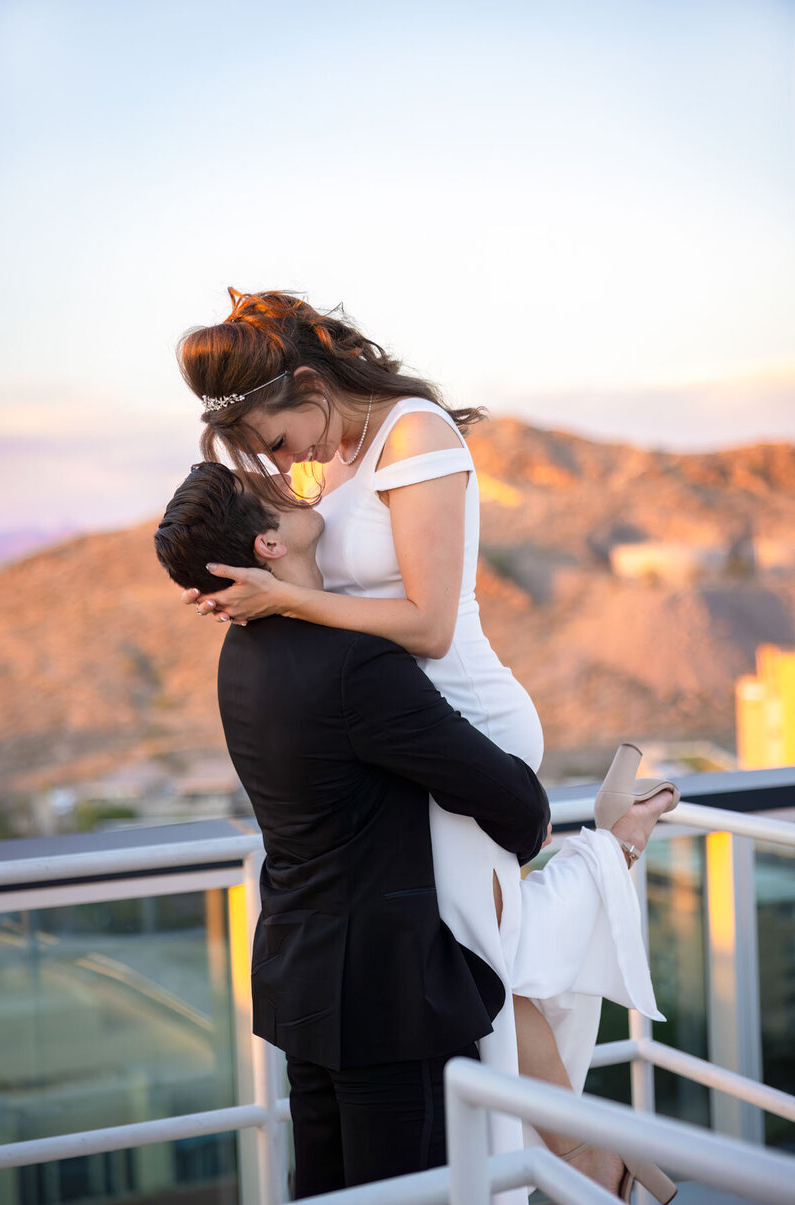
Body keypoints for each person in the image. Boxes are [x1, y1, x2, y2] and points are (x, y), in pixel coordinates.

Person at [175, 290, 679, 1203]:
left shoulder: (416, 435)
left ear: (309, 386)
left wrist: (285, 602)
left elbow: (430, 622)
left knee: (475, 960)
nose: (288, 466)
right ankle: (583, 1158)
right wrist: (250, 598)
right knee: (470, 957)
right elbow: (308, 570)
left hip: (461, 722)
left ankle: (576, 1160)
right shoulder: (328, 462)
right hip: (394, 741)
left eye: (279, 441)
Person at [154, 462, 551, 1197]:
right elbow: (512, 801)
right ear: (268, 544)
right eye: (272, 491)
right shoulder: (355, 663)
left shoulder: (237, 654)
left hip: (299, 979)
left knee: (328, 1190)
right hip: (385, 1001)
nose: (296, 485)